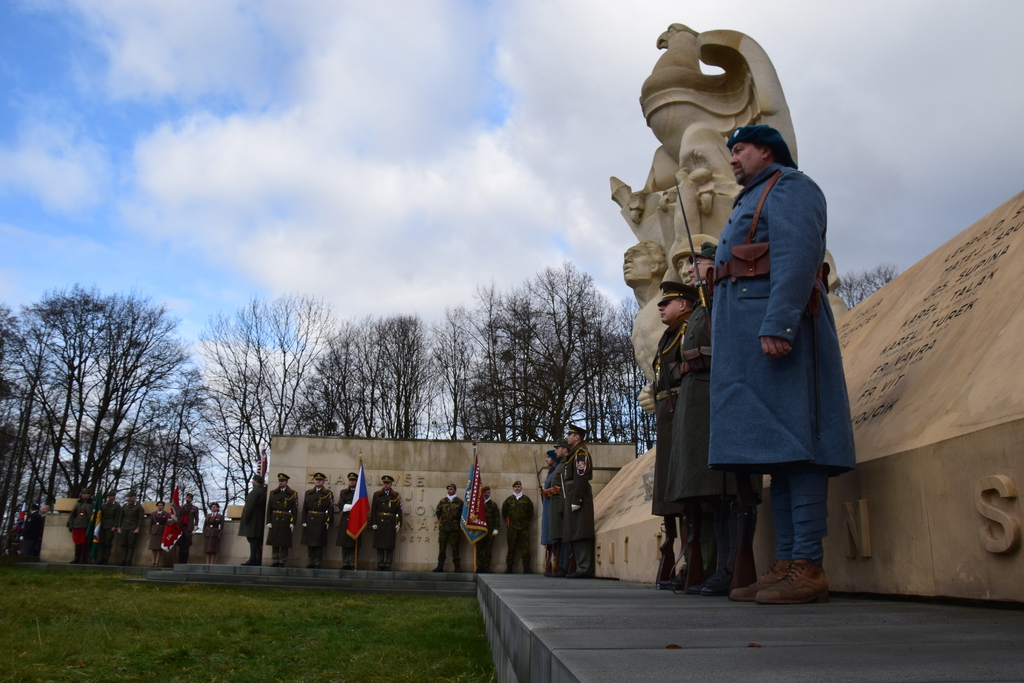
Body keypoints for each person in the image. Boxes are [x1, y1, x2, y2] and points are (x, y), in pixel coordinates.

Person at [710, 124, 856, 604]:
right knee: (780, 454)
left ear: (766, 151)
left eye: (740, 149)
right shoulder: (750, 197)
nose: (732, 158)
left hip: (781, 335)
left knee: (802, 448)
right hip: (751, 344)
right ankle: (787, 561)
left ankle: (808, 565)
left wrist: (780, 323)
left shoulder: (790, 186)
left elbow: (797, 255)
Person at [651, 280, 699, 589]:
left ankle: (691, 563)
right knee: (670, 491)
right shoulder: (669, 336)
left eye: (666, 302)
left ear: (683, 305)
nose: (660, 306)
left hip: (681, 411)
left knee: (684, 490)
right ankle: (682, 562)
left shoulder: (686, 331)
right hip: (667, 417)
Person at [562, 425, 595, 578]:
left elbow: (580, 477)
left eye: (570, 434)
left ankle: (583, 567)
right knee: (574, 529)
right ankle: (579, 565)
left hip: (577, 493)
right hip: (572, 492)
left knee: (581, 530)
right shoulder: (574, 453)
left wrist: (577, 499)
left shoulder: (581, 453)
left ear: (577, 437)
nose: (567, 436)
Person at [301, 473, 334, 569]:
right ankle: (310, 562)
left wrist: (329, 521)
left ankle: (317, 563)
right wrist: (304, 520)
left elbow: (330, 509)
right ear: (314, 481)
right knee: (310, 543)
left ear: (323, 482)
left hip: (321, 520)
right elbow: (304, 508)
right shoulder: (309, 493)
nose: (318, 481)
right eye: (316, 479)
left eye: (320, 480)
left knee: (319, 543)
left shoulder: (328, 493)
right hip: (310, 519)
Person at [370, 475, 402, 571]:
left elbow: (399, 511)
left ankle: (388, 564)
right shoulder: (377, 495)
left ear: (391, 484)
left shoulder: (396, 496)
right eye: (384, 483)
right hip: (380, 522)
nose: (386, 485)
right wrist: (374, 522)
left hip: (390, 522)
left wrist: (398, 523)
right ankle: (380, 564)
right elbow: (373, 510)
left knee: (389, 545)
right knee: (380, 545)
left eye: (388, 483)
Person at [502, 480, 534, 574]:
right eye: (515, 487)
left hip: (523, 528)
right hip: (512, 528)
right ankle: (509, 568)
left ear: (521, 488)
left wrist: (524, 522)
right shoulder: (508, 500)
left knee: (525, 548)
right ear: (513, 488)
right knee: (511, 548)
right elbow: (504, 512)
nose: (517, 488)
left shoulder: (526, 500)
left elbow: (530, 513)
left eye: (519, 487)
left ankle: (527, 568)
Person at [266, 473, 298, 567]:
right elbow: (269, 509)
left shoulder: (292, 494)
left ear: (286, 482)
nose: (280, 482)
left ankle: (282, 561)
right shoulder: (273, 493)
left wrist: (293, 522)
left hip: (285, 519)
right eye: (279, 481)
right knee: (275, 541)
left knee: (284, 542)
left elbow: (295, 509)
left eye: (282, 481)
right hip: (275, 518)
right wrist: (268, 521)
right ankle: (275, 560)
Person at [434, 483, 464, 573]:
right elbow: (438, 512)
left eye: (451, 489)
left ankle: (457, 566)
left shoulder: (459, 502)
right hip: (444, 527)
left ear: (455, 490)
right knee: (442, 548)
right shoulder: (443, 501)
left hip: (455, 528)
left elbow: (463, 515)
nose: (449, 490)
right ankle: (440, 565)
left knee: (455, 548)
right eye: (448, 489)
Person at [238, 474, 267, 566]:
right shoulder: (262, 490)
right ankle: (257, 558)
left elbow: (250, 505)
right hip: (258, 517)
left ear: (256, 481)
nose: (252, 482)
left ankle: (253, 559)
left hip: (253, 518)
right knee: (256, 540)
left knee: (253, 539)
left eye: (253, 480)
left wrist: (246, 518)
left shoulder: (256, 491)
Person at [539, 449, 560, 573]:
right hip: (548, 507)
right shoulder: (551, 471)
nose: (546, 459)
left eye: (548, 457)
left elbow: (558, 489)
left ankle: (556, 564)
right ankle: (550, 564)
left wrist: (548, 492)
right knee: (549, 537)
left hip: (553, 508)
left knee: (554, 537)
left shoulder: (556, 471)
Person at [336, 472, 359, 570]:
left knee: (353, 543)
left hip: (356, 520)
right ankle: (345, 562)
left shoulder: (359, 493)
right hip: (346, 519)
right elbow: (340, 505)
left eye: (353, 480)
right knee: (345, 543)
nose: (351, 482)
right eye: (350, 480)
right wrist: (351, 507)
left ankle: (353, 563)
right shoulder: (344, 492)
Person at [476, 486, 500, 573]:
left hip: (490, 530)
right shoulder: (478, 504)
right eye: (485, 492)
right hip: (479, 529)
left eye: (488, 492)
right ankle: (479, 566)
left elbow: (497, 517)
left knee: (488, 549)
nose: (486, 494)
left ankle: (486, 566)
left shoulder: (493, 504)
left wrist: (496, 528)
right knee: (479, 549)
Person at [116, 492, 144, 566]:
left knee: (131, 544)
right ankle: (123, 560)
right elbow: (120, 517)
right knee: (123, 544)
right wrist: (119, 527)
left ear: (135, 497)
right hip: (125, 525)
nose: (130, 498)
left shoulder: (138, 506)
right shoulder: (125, 506)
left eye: (131, 496)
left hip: (133, 526)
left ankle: (129, 560)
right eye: (129, 497)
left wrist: (138, 528)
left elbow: (140, 518)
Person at [66, 491, 93, 564]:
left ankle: (83, 558)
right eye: (83, 494)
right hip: (77, 524)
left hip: (85, 524)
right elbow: (73, 514)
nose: (84, 495)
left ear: (89, 495)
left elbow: (91, 515)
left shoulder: (91, 503)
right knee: (77, 541)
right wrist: (71, 525)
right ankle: (76, 557)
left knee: (84, 541)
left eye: (86, 494)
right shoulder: (78, 503)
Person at [96, 491, 121, 565]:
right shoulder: (104, 505)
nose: (109, 497)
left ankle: (105, 559)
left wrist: (115, 526)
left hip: (111, 525)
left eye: (111, 496)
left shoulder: (116, 506)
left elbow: (118, 516)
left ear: (114, 497)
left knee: (108, 543)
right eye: (108, 496)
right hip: (103, 524)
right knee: (102, 543)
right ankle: (101, 558)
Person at [176, 492, 198, 565]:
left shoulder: (194, 508)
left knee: (187, 544)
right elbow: (178, 516)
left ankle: (184, 561)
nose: (188, 499)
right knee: (181, 544)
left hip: (189, 528)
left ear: (191, 500)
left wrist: (195, 526)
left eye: (189, 498)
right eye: (187, 498)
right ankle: (180, 561)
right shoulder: (181, 507)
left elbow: (196, 518)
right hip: (182, 527)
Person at [149, 500, 170, 567]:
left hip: (161, 532)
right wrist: (150, 532)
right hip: (154, 531)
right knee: (153, 548)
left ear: (163, 506)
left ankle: (157, 562)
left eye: (161, 505)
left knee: (159, 548)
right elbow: (150, 523)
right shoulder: (153, 513)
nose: (159, 506)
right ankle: (152, 562)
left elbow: (167, 524)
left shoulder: (166, 514)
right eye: (158, 505)